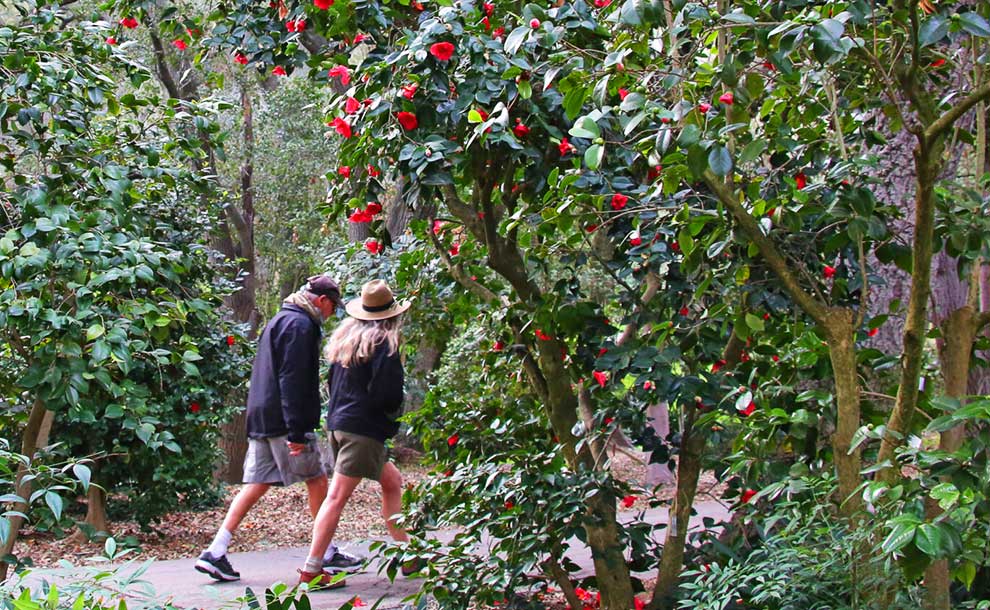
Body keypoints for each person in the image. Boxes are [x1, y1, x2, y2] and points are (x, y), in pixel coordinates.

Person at [195, 275, 362, 584]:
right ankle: (324, 554)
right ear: (322, 301)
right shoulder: (301, 325)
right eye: (332, 307)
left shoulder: (280, 319)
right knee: (317, 479)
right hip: (285, 419)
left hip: (262, 415)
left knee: (256, 483)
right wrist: (297, 431)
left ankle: (215, 551)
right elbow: (293, 380)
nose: (330, 314)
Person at [296, 280, 416, 588]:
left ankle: (409, 554)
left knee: (392, 482)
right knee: (336, 497)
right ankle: (312, 569)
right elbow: (387, 394)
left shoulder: (347, 340)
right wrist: (390, 416)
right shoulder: (385, 343)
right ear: (391, 315)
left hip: (340, 426)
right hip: (363, 430)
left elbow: (332, 386)